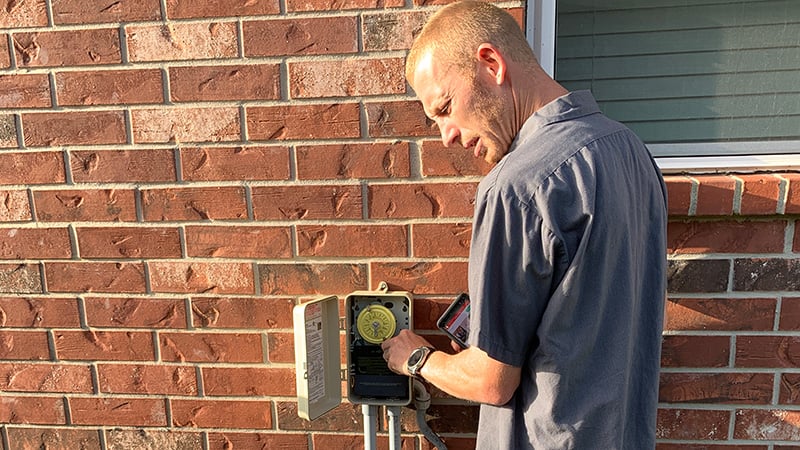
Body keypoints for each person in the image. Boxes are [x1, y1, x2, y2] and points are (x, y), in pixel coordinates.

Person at [380, 1, 668, 449]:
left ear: (491, 63)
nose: (446, 135)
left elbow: (491, 382)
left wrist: (416, 358)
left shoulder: (516, 187)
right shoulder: (631, 150)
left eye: (445, 107)